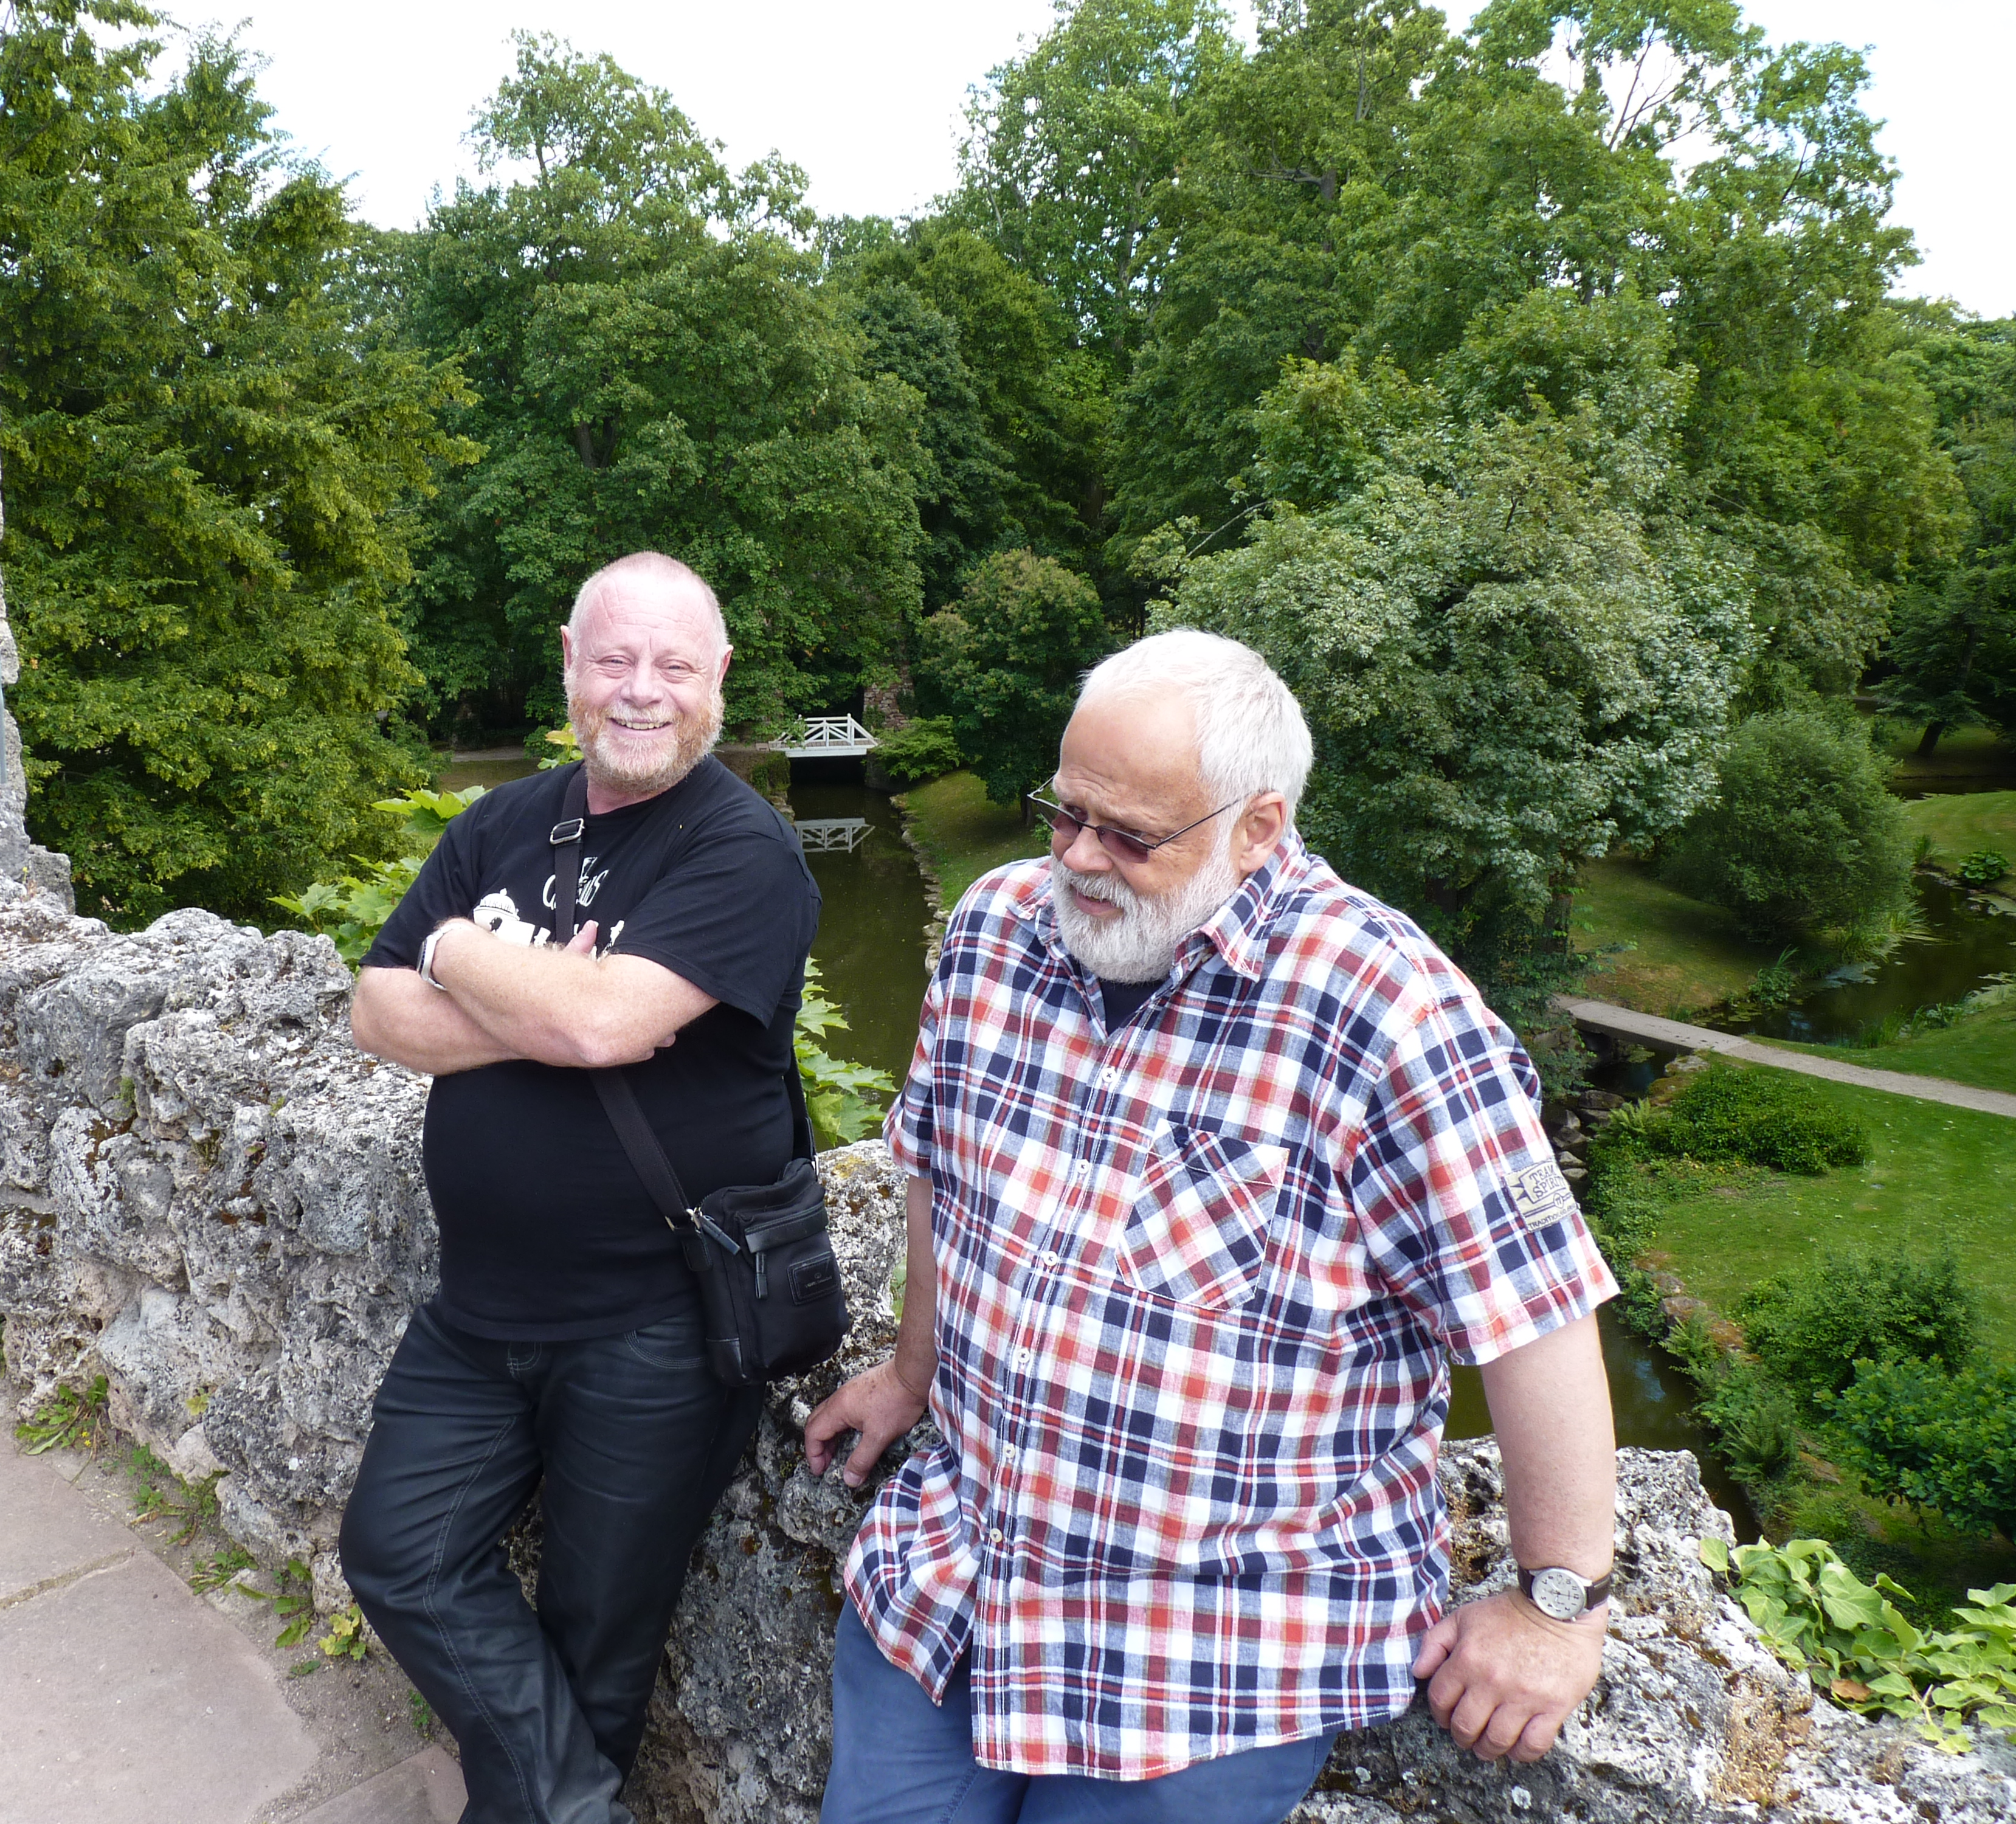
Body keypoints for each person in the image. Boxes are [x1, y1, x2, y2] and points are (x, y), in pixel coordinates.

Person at [803, 629, 1620, 1824]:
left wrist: (1555, 1606)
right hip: (955, 1577)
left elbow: (1533, 1312)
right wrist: (910, 1370)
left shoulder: (1384, 1013)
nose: (1076, 858)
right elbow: (939, 1169)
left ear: (1256, 826)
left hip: (1208, 1651)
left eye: (1129, 835)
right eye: (1062, 811)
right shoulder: (990, 930)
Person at [340, 551, 820, 1824]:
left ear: (718, 677)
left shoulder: (744, 850)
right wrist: (524, 995)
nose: (640, 691)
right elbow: (377, 1011)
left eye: (673, 665)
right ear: (569, 662)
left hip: (654, 1328)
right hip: (477, 1310)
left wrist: (463, 952)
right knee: (395, 1554)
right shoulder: (504, 822)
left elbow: (609, 1027)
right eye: (614, 660)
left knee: (596, 1649)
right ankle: (573, 1811)